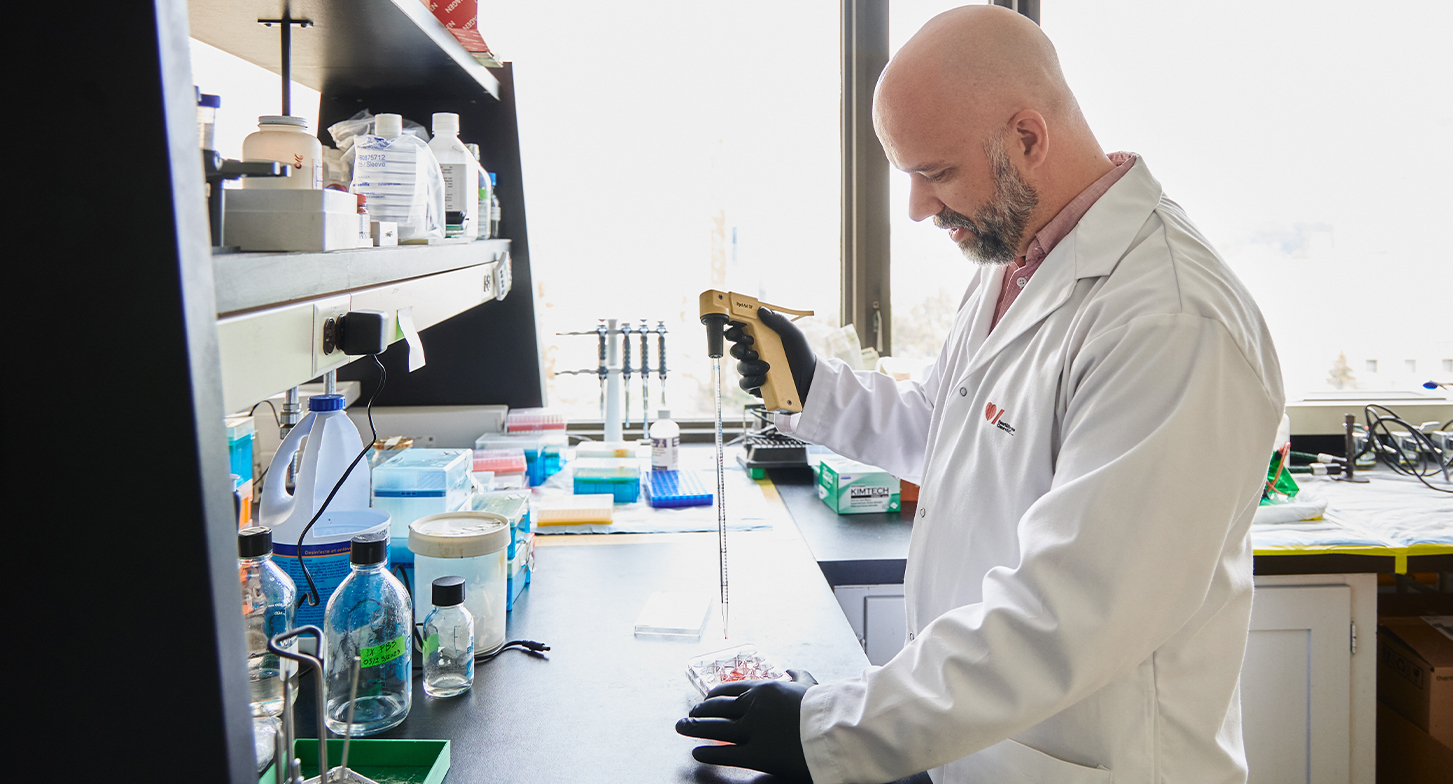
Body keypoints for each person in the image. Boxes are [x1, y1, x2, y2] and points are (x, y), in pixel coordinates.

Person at [676, 5, 1284, 784]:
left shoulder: (1170, 318)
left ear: (1027, 138)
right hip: (985, 745)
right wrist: (814, 389)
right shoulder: (1018, 262)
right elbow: (954, 434)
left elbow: (1070, 617)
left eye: (934, 173)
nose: (917, 208)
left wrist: (827, 728)